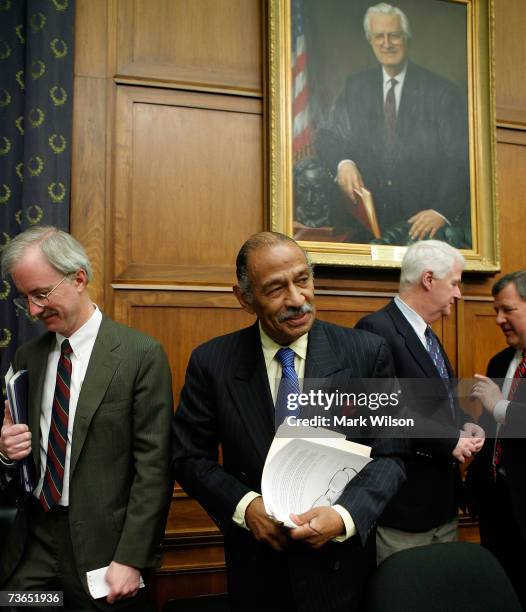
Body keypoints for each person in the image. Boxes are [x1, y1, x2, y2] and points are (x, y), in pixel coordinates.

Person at [172, 231, 407, 611]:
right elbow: (187, 456)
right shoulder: (212, 363)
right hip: (257, 570)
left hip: (341, 573)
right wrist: (246, 506)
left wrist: (344, 515)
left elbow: (391, 455)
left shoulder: (366, 353)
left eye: (303, 280)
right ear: (244, 298)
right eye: (276, 289)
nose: (297, 300)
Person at [0, 227, 173, 611]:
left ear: (79, 278)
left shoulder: (139, 356)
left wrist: (131, 558)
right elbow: (16, 458)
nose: (32, 310)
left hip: (104, 554)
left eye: (41, 294)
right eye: (25, 298)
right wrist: (6, 453)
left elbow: (154, 469)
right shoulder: (27, 357)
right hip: (34, 547)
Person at [355, 240, 484, 563]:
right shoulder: (376, 329)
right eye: (454, 283)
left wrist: (462, 425)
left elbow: (434, 402)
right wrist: (449, 438)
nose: (458, 294)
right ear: (429, 279)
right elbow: (383, 410)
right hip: (404, 510)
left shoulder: (426, 334)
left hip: (441, 505)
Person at [315, 2, 469, 243]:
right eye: (379, 36)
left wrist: (441, 212)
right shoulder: (357, 86)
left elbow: (460, 159)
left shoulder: (441, 92)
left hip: (422, 225)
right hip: (367, 225)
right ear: (370, 41)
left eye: (394, 36)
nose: (386, 43)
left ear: (406, 38)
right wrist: (344, 163)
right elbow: (327, 135)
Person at [468, 271, 526, 608]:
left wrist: (499, 407)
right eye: (495, 311)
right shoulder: (500, 361)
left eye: (508, 310)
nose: (499, 320)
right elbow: (494, 427)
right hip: (496, 510)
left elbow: (500, 410)